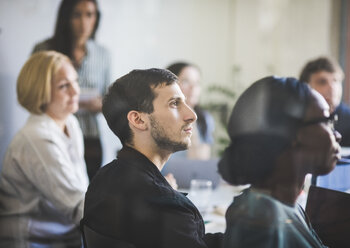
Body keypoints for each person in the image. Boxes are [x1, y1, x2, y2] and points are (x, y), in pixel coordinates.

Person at [82, 68, 222, 248]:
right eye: (174, 103)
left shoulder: (101, 179)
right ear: (138, 120)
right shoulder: (167, 206)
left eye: (185, 103)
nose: (192, 115)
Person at [218, 76, 341, 247]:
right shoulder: (261, 221)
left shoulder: (285, 205)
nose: (337, 135)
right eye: (327, 121)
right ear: (292, 133)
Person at [0, 51, 89, 247]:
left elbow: (81, 189)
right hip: (32, 240)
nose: (76, 91)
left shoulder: (70, 123)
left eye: (75, 81)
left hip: (62, 234)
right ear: (40, 91)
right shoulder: (36, 137)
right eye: (64, 86)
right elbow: (76, 206)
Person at [33, 0, 111, 181]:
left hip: (89, 135)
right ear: (66, 17)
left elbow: (110, 98)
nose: (84, 22)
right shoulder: (44, 50)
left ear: (96, 19)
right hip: (53, 132)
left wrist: (99, 104)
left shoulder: (103, 54)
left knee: (88, 188)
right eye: (77, 15)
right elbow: (34, 93)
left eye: (89, 15)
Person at [299, 57, 350, 191]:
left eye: (336, 81)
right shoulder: (296, 119)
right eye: (322, 82)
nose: (332, 88)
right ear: (305, 87)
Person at [167, 62, 215, 160]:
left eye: (197, 82)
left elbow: (201, 161)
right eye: (186, 81)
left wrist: (192, 121)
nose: (193, 88)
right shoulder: (160, 117)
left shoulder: (205, 119)